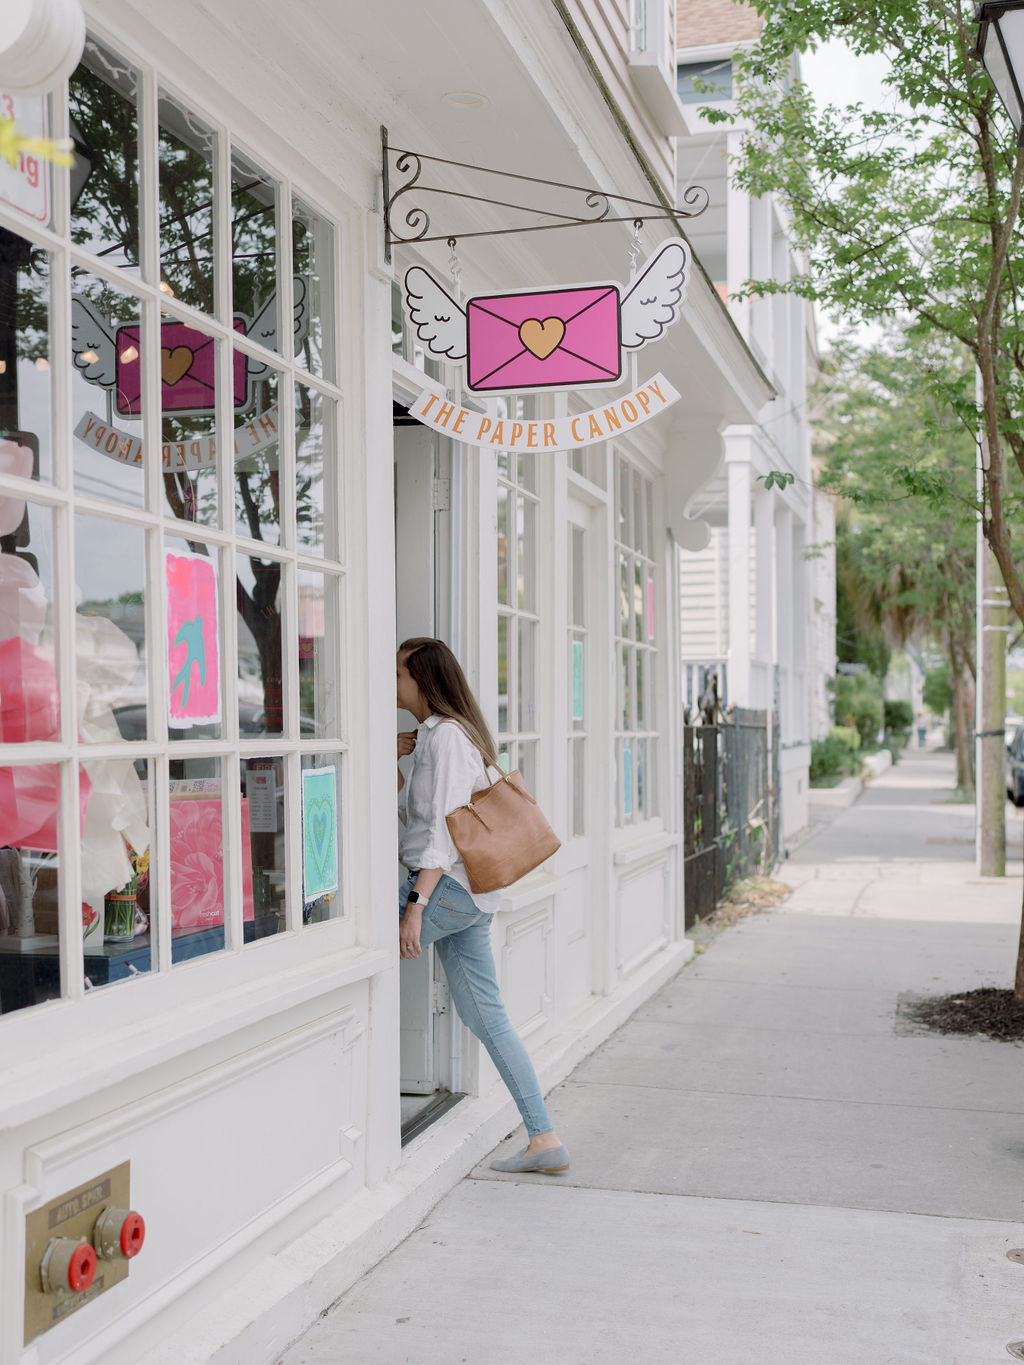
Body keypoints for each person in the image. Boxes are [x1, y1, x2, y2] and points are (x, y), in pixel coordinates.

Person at [396, 636, 569, 1174]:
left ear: (422, 682)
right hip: (471, 893)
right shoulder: (437, 738)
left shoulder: (446, 738)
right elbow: (422, 814)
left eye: (399, 675)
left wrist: (416, 905)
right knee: (483, 1013)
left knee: (361, 961)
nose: (393, 684)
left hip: (448, 888)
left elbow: (443, 836)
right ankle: (545, 1140)